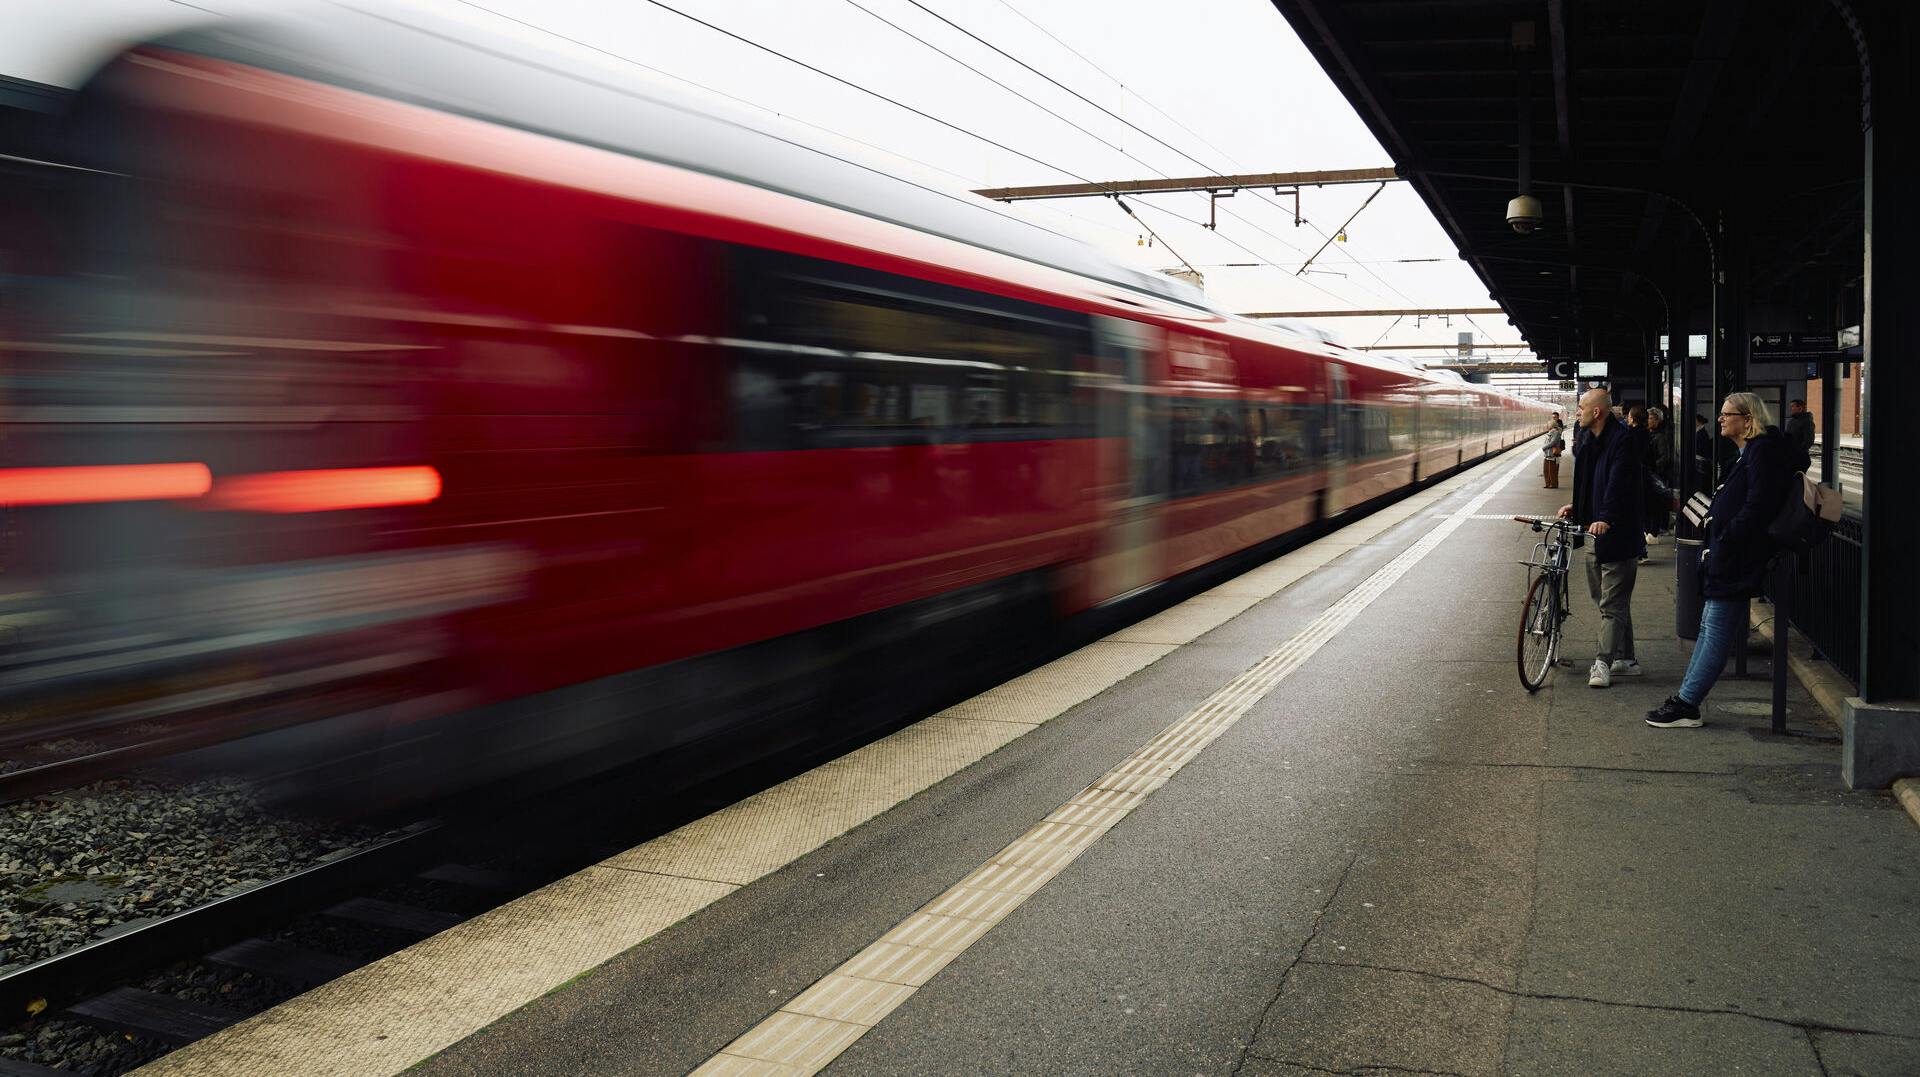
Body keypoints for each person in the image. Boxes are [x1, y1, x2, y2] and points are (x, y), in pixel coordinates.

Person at [1646, 393, 1793, 728]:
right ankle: (1684, 700)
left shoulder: (1762, 453)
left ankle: (1687, 704)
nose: (1720, 419)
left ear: (1748, 419)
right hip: (1730, 556)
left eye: (1727, 414)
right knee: (1709, 628)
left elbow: (1758, 506)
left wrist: (1726, 538)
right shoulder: (1748, 454)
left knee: (1714, 632)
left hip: (1737, 558)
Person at [1558, 387, 1646, 688]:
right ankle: (1627, 659)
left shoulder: (1624, 442)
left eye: (1581, 407)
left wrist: (1605, 517)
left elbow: (1619, 484)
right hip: (1594, 531)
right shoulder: (1588, 440)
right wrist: (1579, 507)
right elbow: (1590, 483)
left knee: (1612, 604)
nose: (1577, 411)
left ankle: (1602, 663)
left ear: (1596, 412)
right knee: (1609, 601)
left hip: (1617, 534)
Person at [1784, 398, 1815, 474]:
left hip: (1799, 458)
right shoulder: (1792, 421)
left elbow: (1809, 440)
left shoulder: (1807, 422)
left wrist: (1798, 451)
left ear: (1800, 408)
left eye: (1793, 406)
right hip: (1791, 456)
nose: (1791, 409)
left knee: (1798, 478)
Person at [1542, 413, 1566, 488]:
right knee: (1546, 470)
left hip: (1552, 454)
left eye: (1548, 425)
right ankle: (1548, 483)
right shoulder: (1550, 432)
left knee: (1552, 470)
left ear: (1552, 425)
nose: (1547, 426)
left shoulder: (1556, 432)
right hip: (1547, 454)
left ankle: (1554, 484)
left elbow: (1553, 442)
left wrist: (1544, 447)